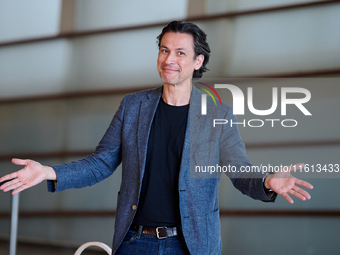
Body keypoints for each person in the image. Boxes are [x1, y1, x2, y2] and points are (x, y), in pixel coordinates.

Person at [0, 21, 313, 255]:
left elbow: (239, 169)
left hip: (191, 244)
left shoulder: (218, 113)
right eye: (164, 50)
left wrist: (267, 181)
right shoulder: (133, 106)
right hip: (135, 241)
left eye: (180, 52)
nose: (169, 59)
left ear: (197, 62)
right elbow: (101, 163)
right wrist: (47, 172)